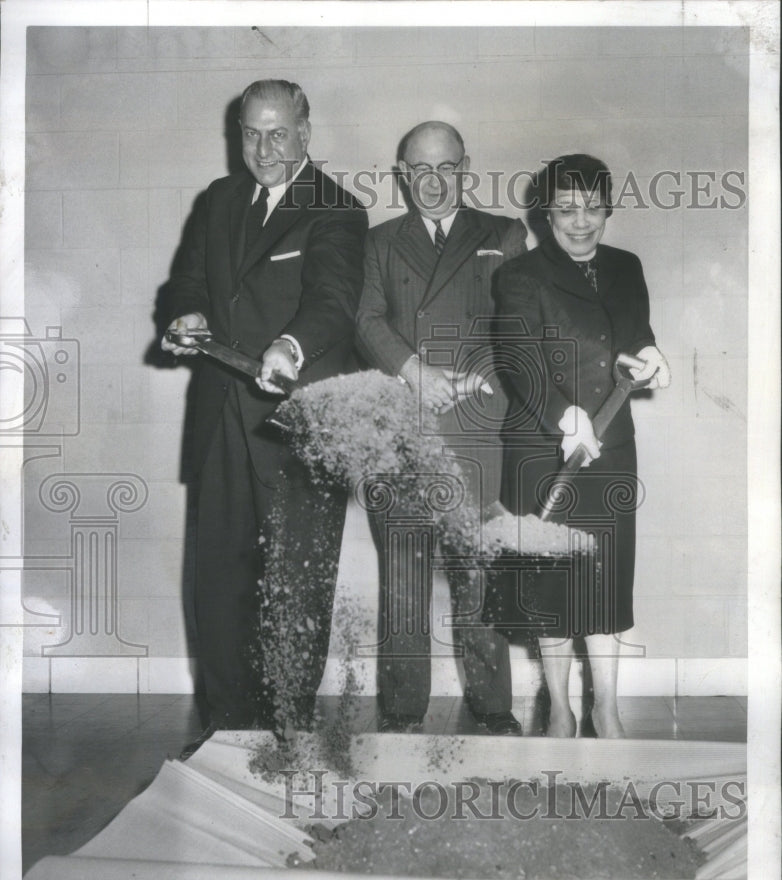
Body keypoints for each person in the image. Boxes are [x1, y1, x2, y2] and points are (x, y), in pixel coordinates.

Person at [162, 79, 367, 741]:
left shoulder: (335, 210)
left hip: (295, 423)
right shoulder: (218, 200)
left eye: (278, 132)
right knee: (217, 582)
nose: (264, 147)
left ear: (306, 131)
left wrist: (289, 345)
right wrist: (184, 312)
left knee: (294, 588)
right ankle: (226, 732)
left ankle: (288, 733)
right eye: (252, 132)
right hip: (220, 416)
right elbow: (188, 279)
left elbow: (332, 302)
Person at [356, 120, 528, 735]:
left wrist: (477, 379)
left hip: (478, 429)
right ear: (403, 174)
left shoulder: (504, 234)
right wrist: (412, 370)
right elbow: (366, 319)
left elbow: (520, 322)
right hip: (402, 430)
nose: (433, 182)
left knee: (478, 577)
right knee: (402, 580)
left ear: (466, 168)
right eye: (419, 170)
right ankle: (401, 712)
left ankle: (492, 706)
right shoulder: (377, 242)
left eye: (445, 168)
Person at [494, 153, 671, 738]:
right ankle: (562, 710)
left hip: (611, 445)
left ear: (608, 210)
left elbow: (635, 336)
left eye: (593, 208)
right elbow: (522, 362)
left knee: (604, 581)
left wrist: (650, 358)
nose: (580, 221)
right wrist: (563, 414)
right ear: (546, 213)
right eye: (567, 208)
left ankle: (607, 709)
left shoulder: (626, 266)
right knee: (550, 587)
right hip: (544, 450)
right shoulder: (518, 275)